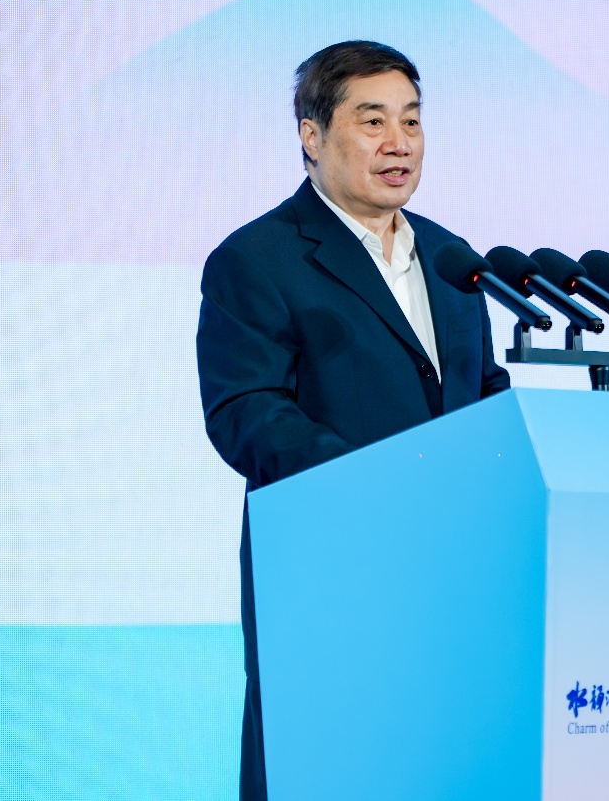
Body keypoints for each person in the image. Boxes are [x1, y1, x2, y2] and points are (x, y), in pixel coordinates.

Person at [195, 40, 510, 800]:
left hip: (457, 574)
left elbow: (485, 394)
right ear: (311, 135)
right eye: (373, 121)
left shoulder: (452, 259)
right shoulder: (258, 259)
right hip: (330, 566)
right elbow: (245, 411)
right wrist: (377, 483)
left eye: (411, 120)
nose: (399, 142)